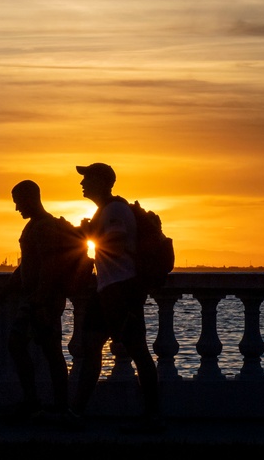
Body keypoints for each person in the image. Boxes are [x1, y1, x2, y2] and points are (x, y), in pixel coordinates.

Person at [70, 162, 163, 433]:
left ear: (102, 181)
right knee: (90, 350)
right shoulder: (106, 210)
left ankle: (154, 415)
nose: (82, 183)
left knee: (139, 353)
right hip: (106, 291)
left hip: (122, 292)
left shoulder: (114, 211)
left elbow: (115, 244)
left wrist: (86, 233)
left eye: (87, 178)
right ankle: (76, 411)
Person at [0, 180, 73, 421]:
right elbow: (27, 266)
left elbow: (50, 266)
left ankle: (56, 405)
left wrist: (40, 300)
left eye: (19, 202)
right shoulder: (34, 227)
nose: (17, 209)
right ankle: (41, 403)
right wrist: (3, 295)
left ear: (31, 198)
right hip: (35, 299)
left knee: (50, 351)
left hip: (41, 301)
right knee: (42, 349)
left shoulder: (44, 227)